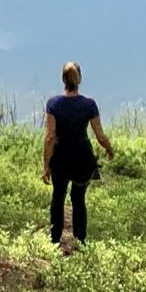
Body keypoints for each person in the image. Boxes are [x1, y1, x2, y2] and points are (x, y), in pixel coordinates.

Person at [42, 59, 114, 251]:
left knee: (58, 197)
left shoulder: (53, 104)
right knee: (78, 198)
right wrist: (109, 149)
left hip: (60, 159)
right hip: (83, 159)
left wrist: (46, 165)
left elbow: (49, 137)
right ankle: (81, 242)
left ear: (63, 79)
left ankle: (55, 241)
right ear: (79, 79)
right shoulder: (89, 105)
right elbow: (100, 135)